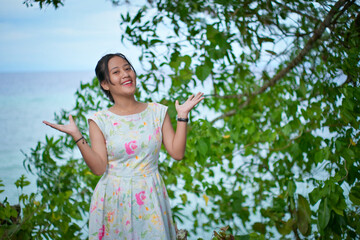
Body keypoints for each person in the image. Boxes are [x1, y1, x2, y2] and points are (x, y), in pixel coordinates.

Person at [43, 53, 204, 240]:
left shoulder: (157, 112)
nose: (125, 74)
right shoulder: (99, 120)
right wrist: (77, 136)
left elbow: (177, 153)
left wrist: (182, 115)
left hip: (151, 194)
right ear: (105, 84)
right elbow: (98, 168)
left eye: (128, 68)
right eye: (116, 72)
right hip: (114, 198)